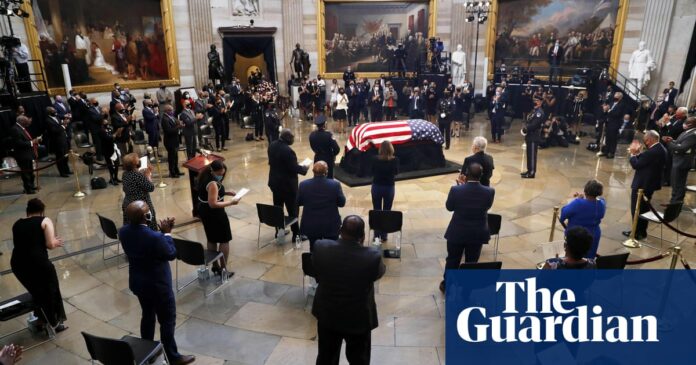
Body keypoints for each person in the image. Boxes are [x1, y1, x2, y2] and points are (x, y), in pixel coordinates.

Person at [119, 201, 196, 365]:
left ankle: (146, 352)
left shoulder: (123, 232)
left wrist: (161, 234)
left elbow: (143, 241)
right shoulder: (155, 237)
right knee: (167, 320)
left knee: (147, 316)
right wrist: (167, 234)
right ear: (147, 216)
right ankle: (173, 356)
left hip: (139, 283)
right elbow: (171, 253)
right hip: (158, 285)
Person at [311, 215, 386, 365]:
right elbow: (378, 273)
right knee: (359, 360)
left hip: (328, 314)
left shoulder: (320, 248)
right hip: (358, 318)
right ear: (363, 236)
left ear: (340, 231)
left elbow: (316, 270)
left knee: (326, 357)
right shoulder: (372, 257)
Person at [11, 198, 67, 333]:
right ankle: (54, 323)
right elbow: (50, 244)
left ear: (27, 211)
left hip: (18, 264)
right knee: (50, 291)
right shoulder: (45, 221)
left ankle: (40, 320)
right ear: (42, 211)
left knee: (36, 292)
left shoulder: (16, 224)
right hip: (38, 263)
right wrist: (55, 242)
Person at [440, 163, 495, 293]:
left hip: (457, 231)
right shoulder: (489, 191)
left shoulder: (456, 190)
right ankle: (467, 289)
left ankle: (447, 284)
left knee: (453, 260)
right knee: (472, 262)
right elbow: (486, 207)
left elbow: (449, 207)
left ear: (465, 176)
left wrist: (461, 187)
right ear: (481, 176)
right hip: (477, 233)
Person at [197, 160, 239, 277]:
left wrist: (225, 192)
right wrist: (231, 203)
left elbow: (208, 195)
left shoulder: (204, 176)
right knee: (224, 240)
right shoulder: (213, 184)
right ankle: (224, 269)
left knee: (212, 239)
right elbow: (213, 203)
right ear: (214, 171)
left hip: (204, 212)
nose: (221, 176)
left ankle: (215, 266)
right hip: (215, 214)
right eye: (220, 173)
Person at [623, 130, 666, 240]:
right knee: (644, 209)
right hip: (650, 184)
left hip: (642, 185)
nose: (645, 142)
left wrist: (633, 155)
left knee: (637, 209)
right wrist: (639, 154)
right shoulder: (661, 149)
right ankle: (642, 232)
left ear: (651, 139)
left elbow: (637, 165)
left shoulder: (652, 152)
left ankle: (636, 233)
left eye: (646, 140)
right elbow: (646, 161)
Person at [268, 129, 308, 242]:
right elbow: (294, 168)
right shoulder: (288, 151)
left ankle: (279, 231)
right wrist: (304, 168)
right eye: (292, 138)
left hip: (275, 183)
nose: (293, 140)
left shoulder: (272, 145)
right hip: (287, 186)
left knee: (278, 208)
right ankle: (296, 235)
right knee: (293, 210)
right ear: (288, 138)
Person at [298, 161, 346, 251]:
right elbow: (342, 203)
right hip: (330, 224)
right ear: (326, 172)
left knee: (313, 248)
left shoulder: (303, 185)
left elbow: (299, 202)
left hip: (311, 224)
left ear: (313, 171)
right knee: (332, 250)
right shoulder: (334, 185)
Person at [560, 180, 606, 258]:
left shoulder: (578, 203)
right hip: (594, 235)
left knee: (573, 258)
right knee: (588, 258)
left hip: (576, 236)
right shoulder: (601, 204)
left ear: (586, 190)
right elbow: (597, 201)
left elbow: (563, 214)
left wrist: (576, 200)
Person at [663, 116, 696, 203]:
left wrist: (669, 143)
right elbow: (679, 143)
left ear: (690, 124)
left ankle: (676, 202)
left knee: (678, 184)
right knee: (675, 182)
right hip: (678, 160)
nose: (684, 124)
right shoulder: (686, 132)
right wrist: (673, 140)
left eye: (686, 122)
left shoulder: (693, 134)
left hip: (682, 162)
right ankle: (673, 200)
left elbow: (681, 148)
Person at [121, 153, 158, 230]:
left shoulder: (125, 174)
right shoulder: (138, 175)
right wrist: (148, 175)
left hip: (129, 204)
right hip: (140, 206)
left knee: (133, 227)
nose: (139, 160)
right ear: (134, 164)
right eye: (138, 160)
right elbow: (151, 188)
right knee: (146, 227)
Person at [371, 141, 399, 242]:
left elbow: (372, 171)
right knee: (387, 211)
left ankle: (376, 235)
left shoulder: (374, 159)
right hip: (389, 187)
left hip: (377, 186)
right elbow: (396, 172)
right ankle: (384, 235)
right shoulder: (395, 160)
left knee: (377, 210)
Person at [9, 116, 38, 194]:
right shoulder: (15, 129)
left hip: (28, 154)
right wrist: (32, 142)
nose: (28, 122)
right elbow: (18, 143)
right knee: (26, 174)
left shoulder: (21, 128)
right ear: (22, 121)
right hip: (22, 155)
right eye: (26, 121)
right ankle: (28, 189)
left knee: (30, 172)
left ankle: (31, 186)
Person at [309, 115, 340, 179]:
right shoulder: (328, 135)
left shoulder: (312, 135)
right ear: (324, 124)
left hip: (317, 157)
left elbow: (312, 147)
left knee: (317, 176)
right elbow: (336, 149)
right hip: (328, 158)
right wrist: (332, 154)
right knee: (329, 177)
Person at [598, 92, 626, 159]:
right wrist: (605, 110)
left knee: (613, 139)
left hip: (615, 124)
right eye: (615, 96)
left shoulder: (622, 105)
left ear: (620, 98)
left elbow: (617, 114)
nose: (615, 98)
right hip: (608, 122)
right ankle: (606, 151)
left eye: (617, 97)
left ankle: (611, 153)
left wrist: (609, 110)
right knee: (607, 137)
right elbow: (607, 111)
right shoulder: (611, 103)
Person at [522, 96, 544, 178]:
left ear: (541, 102)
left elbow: (534, 124)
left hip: (534, 136)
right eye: (534, 100)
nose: (535, 102)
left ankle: (532, 172)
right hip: (529, 135)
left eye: (537, 100)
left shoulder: (539, 112)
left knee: (532, 155)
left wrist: (526, 129)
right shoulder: (534, 111)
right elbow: (528, 120)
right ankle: (529, 170)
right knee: (529, 154)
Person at [45, 106, 71, 177]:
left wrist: (64, 123)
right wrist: (63, 125)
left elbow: (59, 125)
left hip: (64, 139)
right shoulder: (48, 121)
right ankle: (62, 172)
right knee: (60, 158)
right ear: (49, 112)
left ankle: (67, 170)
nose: (55, 111)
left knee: (66, 156)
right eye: (53, 110)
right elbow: (54, 130)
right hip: (57, 142)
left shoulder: (57, 117)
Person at [99, 110, 120, 186]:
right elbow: (107, 138)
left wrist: (117, 134)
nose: (106, 122)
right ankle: (112, 178)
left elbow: (113, 136)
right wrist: (114, 135)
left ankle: (116, 177)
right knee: (110, 165)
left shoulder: (109, 128)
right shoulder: (101, 130)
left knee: (117, 163)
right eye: (105, 121)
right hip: (107, 149)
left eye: (106, 120)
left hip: (113, 148)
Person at [161, 105, 183, 178]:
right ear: (167, 111)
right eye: (171, 110)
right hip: (170, 141)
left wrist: (179, 123)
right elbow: (168, 131)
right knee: (171, 158)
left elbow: (176, 123)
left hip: (175, 140)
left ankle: (177, 171)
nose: (172, 112)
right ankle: (172, 173)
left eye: (172, 110)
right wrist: (178, 126)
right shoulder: (164, 119)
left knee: (176, 157)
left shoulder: (171, 117)